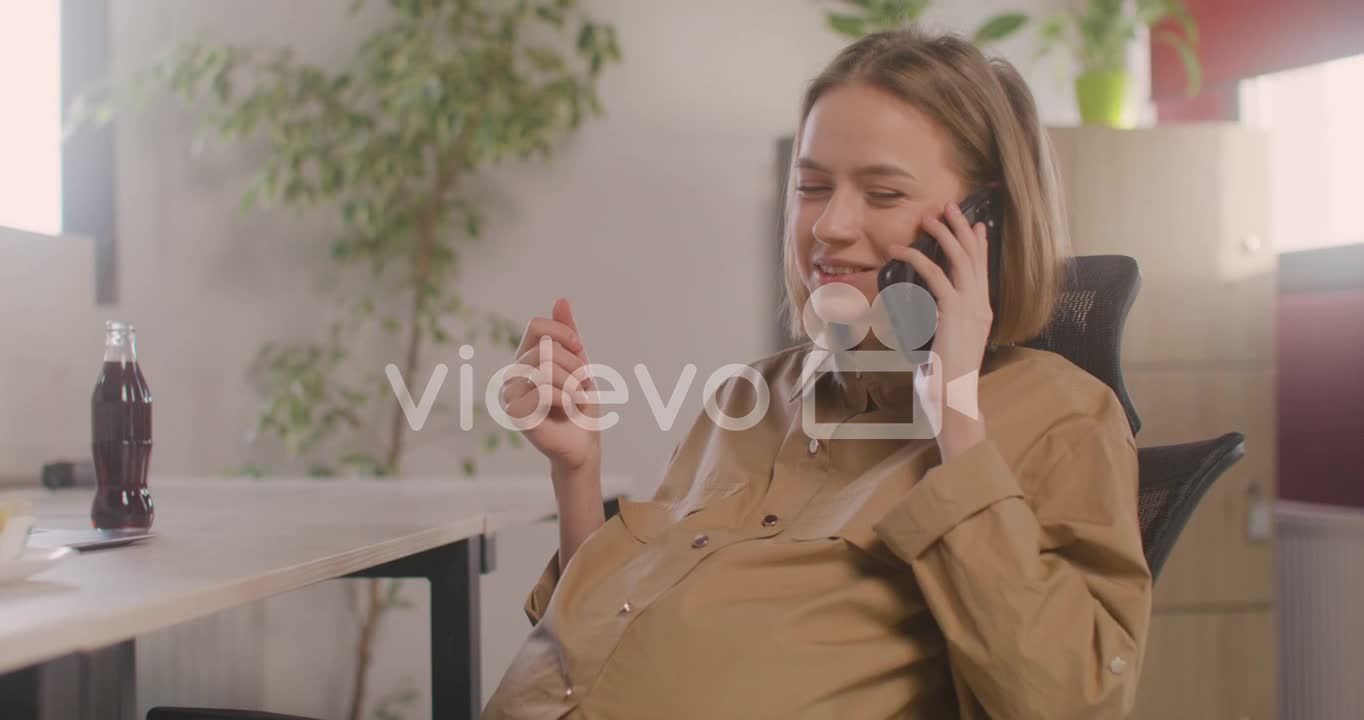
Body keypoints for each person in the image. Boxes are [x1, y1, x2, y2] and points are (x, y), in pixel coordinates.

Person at [482, 28, 1151, 720]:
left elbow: (1072, 702)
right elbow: (620, 627)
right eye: (811, 187)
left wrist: (954, 416)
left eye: (883, 194)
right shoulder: (748, 397)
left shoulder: (1061, 418)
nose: (829, 225)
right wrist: (577, 473)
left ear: (985, 222)